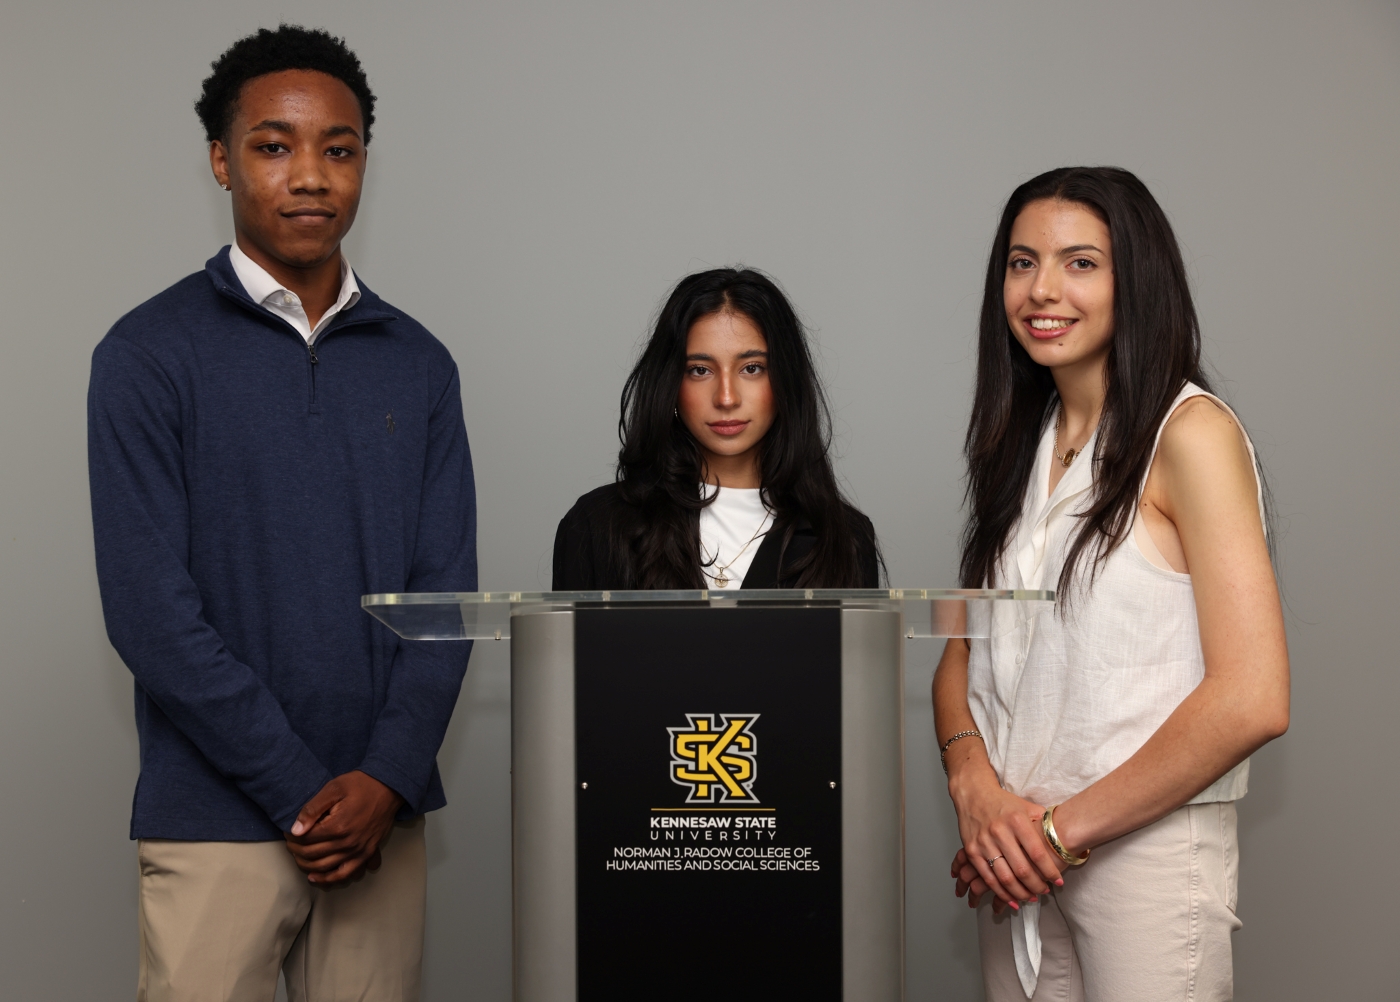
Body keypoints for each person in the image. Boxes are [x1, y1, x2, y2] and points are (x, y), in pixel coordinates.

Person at [87, 26, 476, 1002]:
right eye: (274, 146)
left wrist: (382, 779)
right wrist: (302, 791)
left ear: (362, 166)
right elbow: (149, 615)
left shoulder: (418, 363)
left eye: (337, 149)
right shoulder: (145, 354)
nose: (309, 175)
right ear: (221, 160)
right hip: (216, 820)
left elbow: (444, 599)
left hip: (377, 822)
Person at [932, 167, 1289, 1001]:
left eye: (1080, 262)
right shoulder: (1016, 445)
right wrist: (975, 790)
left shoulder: (1189, 433)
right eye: (1022, 263)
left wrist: (1056, 835)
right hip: (1016, 860)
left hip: (1139, 861)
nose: (1042, 289)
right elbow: (961, 645)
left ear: (1139, 277)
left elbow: (1254, 696)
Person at [553, 268, 879, 590]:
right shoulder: (595, 525)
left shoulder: (845, 537)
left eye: (752, 368)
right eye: (700, 370)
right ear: (671, 385)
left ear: (785, 382)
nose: (726, 398)